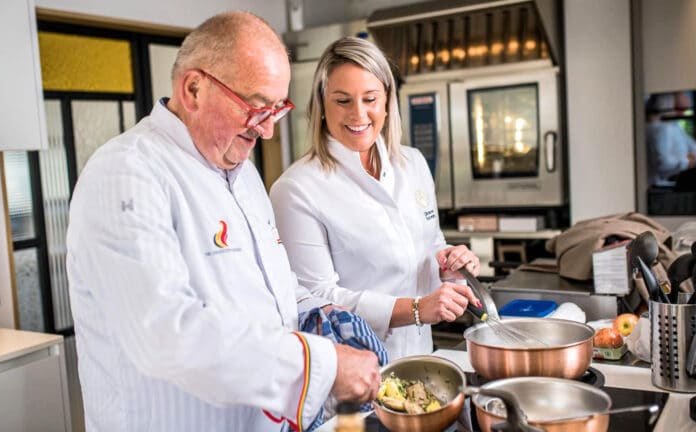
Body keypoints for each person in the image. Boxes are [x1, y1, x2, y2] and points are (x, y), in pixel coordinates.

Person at [66, 12, 380, 432]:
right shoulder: (126, 173)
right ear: (193, 88)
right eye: (256, 105)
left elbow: (270, 288)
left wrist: (321, 313)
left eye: (277, 108)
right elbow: (165, 335)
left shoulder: (244, 174)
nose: (268, 129)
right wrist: (321, 366)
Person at [269, 36, 481, 361]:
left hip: (422, 355)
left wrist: (451, 263)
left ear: (387, 102)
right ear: (321, 105)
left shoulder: (412, 163)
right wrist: (417, 308)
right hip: (352, 367)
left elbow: (431, 244)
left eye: (370, 98)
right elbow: (317, 298)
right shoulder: (296, 188)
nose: (359, 114)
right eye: (342, 101)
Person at [646, 92, 696, 188]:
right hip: (659, 187)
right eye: (678, 109)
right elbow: (663, 164)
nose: (681, 114)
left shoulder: (674, 125)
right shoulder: (660, 129)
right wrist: (687, 161)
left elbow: (692, 146)